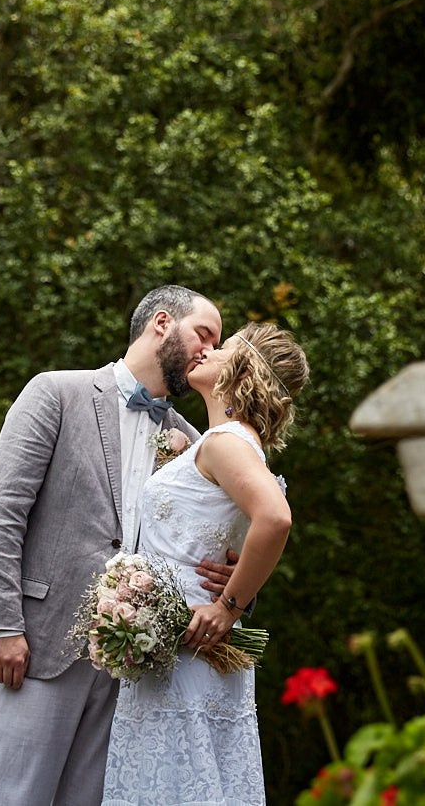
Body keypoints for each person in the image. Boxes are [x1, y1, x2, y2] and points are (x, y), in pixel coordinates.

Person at [0, 285, 232, 806]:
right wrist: (2, 624)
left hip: (135, 664)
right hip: (37, 643)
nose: (211, 353)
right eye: (205, 334)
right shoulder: (56, 392)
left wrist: (230, 586)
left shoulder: (193, 441)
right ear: (162, 323)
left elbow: (213, 539)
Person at [100, 322, 309, 806]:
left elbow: (275, 519)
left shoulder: (226, 443)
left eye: (223, 348)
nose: (207, 351)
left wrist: (228, 608)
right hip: (187, 653)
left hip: (190, 651)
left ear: (241, 372)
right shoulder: (221, 442)